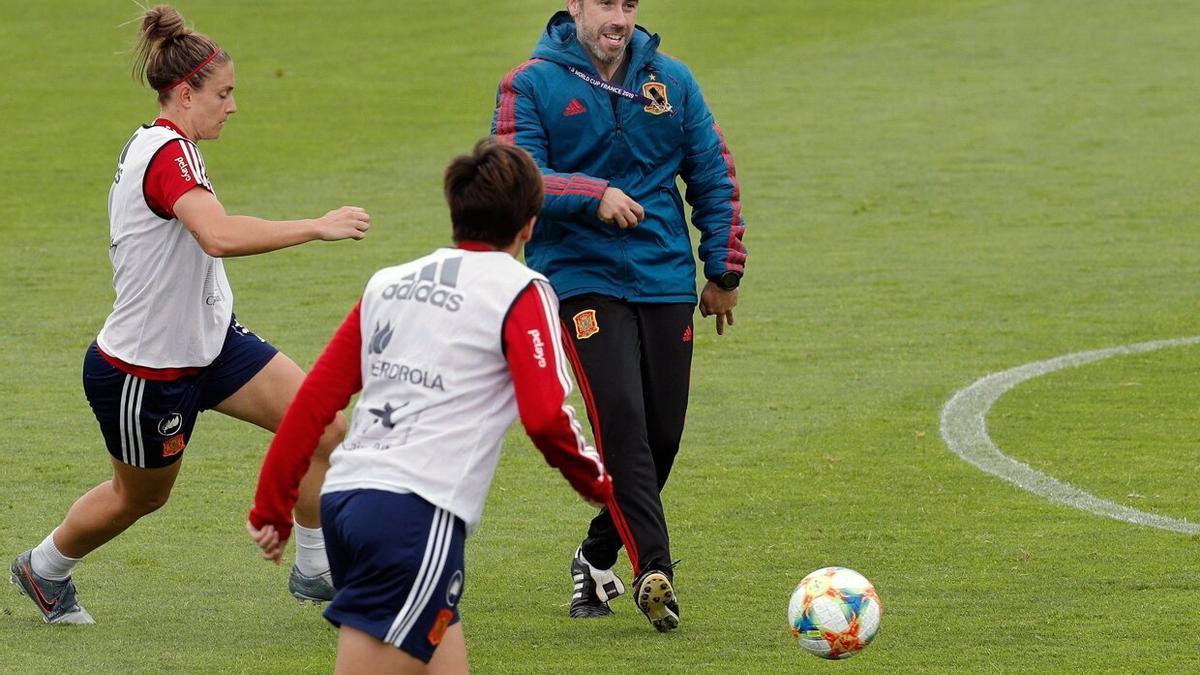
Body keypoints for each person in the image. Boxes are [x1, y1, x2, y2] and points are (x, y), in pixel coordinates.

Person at [8, 4, 369, 624]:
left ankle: (316, 568)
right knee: (141, 497)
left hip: (214, 344)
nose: (232, 106)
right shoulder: (166, 155)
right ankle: (43, 568)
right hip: (145, 371)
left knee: (324, 424)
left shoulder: (176, 147)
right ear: (184, 93)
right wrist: (316, 225)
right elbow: (218, 236)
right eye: (223, 94)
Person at [246, 139, 613, 673]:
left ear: (455, 213)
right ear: (530, 225)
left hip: (348, 504)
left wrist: (272, 505)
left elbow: (314, 403)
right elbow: (544, 417)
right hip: (414, 515)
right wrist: (600, 486)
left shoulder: (390, 282)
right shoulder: (521, 290)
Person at [491, 0, 748, 632]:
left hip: (663, 276)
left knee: (663, 434)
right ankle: (654, 572)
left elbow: (712, 171)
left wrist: (723, 269)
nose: (620, 17)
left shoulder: (672, 80)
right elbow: (515, 176)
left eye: (629, 5)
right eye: (606, 3)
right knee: (623, 420)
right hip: (580, 278)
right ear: (575, 5)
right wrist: (592, 195)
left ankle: (596, 554)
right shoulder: (529, 83)